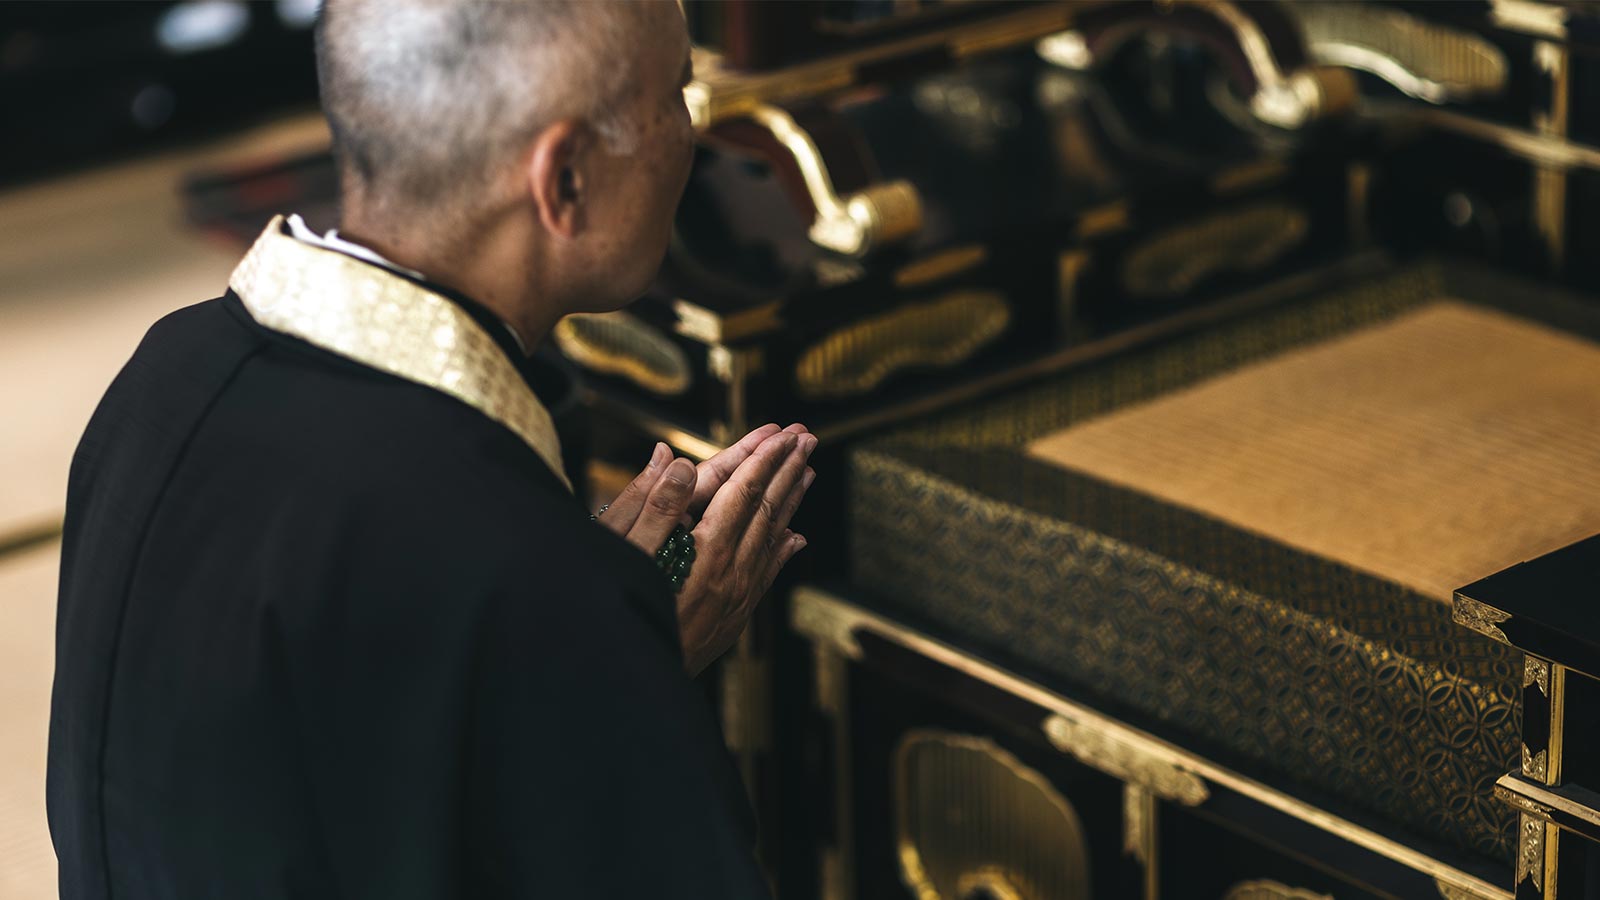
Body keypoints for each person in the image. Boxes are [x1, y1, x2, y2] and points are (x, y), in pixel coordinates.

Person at [46, 1, 813, 897]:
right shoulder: (523, 569)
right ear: (564, 180)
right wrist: (620, 682)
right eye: (677, 93)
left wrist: (570, 660)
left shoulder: (165, 371)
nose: (694, 132)